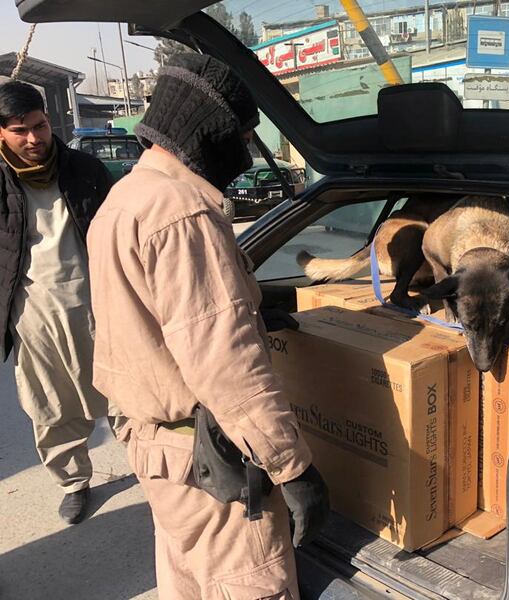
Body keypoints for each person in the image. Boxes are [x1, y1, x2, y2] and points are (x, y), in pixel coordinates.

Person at [87, 54, 328, 599]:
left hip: (158, 452)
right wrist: (295, 470)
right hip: (210, 463)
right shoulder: (183, 213)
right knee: (249, 584)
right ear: (208, 131)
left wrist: (248, 307)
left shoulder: (127, 196)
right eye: (243, 135)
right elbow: (227, 367)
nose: (244, 153)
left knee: (191, 583)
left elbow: (157, 319)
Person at [0, 80, 123, 524]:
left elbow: (119, 232)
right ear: (1, 134)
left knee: (128, 392)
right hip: (33, 312)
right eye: (20, 131)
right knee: (52, 404)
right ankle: (74, 481)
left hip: (101, 303)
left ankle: (155, 468)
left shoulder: (85, 169)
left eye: (40, 126)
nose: (34, 138)